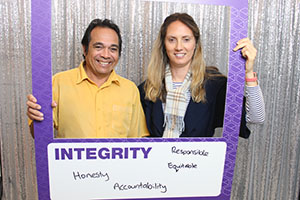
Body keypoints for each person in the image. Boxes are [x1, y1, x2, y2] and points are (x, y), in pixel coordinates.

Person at [138, 13, 265, 138]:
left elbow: (256, 117)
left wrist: (248, 72)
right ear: (164, 44)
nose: (179, 47)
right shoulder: (147, 89)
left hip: (198, 158)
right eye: (172, 40)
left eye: (186, 39)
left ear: (195, 44)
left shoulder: (214, 85)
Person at [27, 19, 149, 138]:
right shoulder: (58, 82)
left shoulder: (130, 89)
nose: (106, 55)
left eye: (113, 49)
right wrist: (36, 117)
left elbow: (137, 139)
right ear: (85, 49)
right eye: (98, 47)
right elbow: (39, 136)